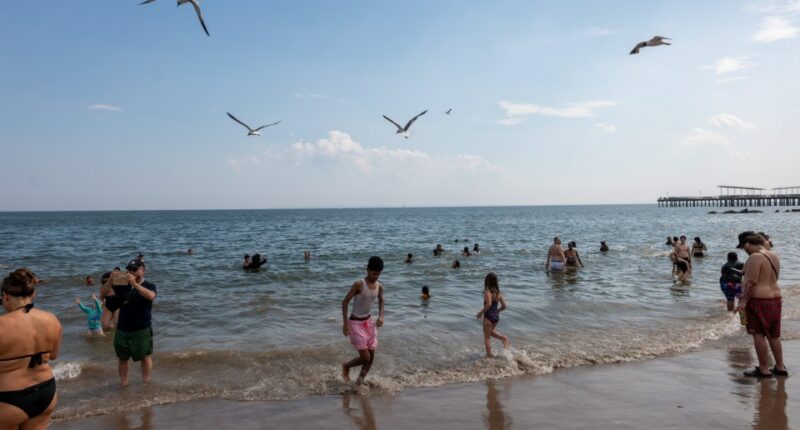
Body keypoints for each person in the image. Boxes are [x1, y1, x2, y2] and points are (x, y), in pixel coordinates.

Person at [0, 268, 62, 429]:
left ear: (5, 296)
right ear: (33, 294)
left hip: (10, 397)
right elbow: (53, 355)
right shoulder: (52, 319)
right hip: (46, 391)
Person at [734, 232, 788, 377]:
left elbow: (751, 282)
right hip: (775, 299)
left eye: (743, 247)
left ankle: (763, 369)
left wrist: (744, 301)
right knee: (774, 335)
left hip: (759, 301)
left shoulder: (755, 257)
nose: (744, 251)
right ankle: (780, 366)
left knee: (758, 334)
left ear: (747, 244)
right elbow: (767, 275)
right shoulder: (773, 255)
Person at [341, 257, 385, 384]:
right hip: (355, 323)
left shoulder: (379, 286)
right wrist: (345, 324)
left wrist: (381, 316)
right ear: (367, 270)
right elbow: (345, 302)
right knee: (365, 357)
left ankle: (359, 382)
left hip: (369, 324)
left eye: (378, 273)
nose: (375, 276)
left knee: (371, 357)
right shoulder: (359, 284)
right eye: (373, 273)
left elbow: (382, 300)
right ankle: (347, 366)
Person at [114, 259, 157, 386]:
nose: (131, 272)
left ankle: (146, 381)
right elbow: (106, 292)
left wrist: (135, 284)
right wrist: (111, 280)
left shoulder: (149, 285)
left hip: (141, 327)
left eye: (134, 269)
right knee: (122, 357)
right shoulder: (122, 284)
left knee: (145, 356)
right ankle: (124, 384)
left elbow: (151, 296)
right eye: (129, 269)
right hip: (122, 327)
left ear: (143, 270)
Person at [475, 273, 510, 357]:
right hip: (496, 317)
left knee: (487, 338)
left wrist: (480, 313)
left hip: (488, 317)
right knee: (490, 333)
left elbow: (489, 304)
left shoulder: (487, 292)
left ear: (487, 281)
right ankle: (502, 338)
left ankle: (489, 356)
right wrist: (497, 311)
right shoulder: (498, 293)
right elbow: (504, 306)